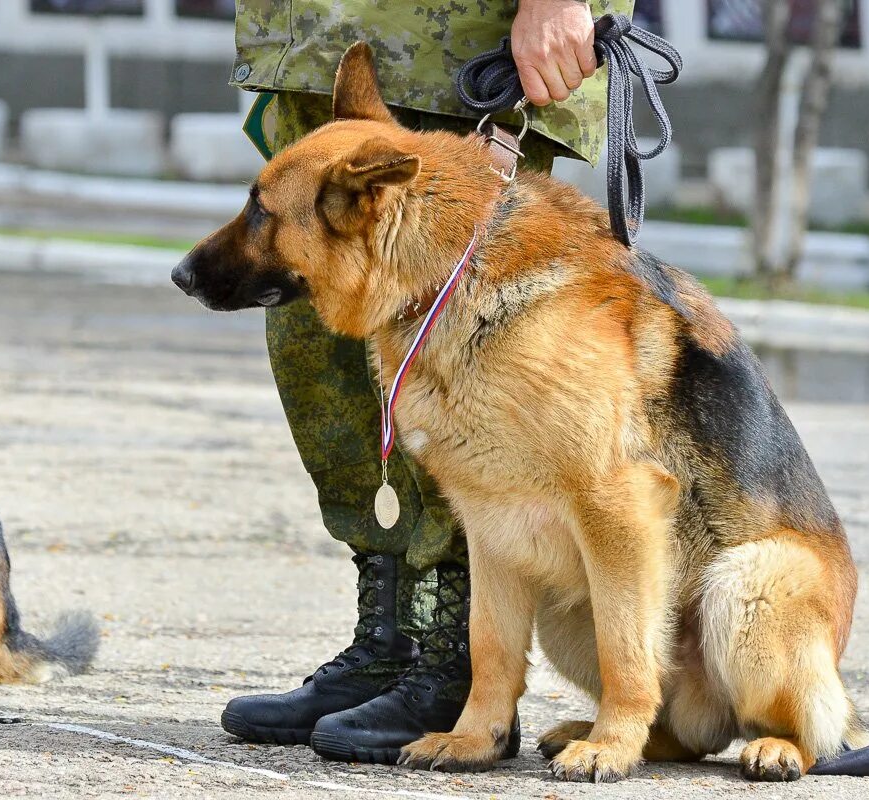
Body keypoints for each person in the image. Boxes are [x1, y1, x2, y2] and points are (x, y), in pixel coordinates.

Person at [220, 0, 635, 764]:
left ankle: (451, 657)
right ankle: (386, 638)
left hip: (458, 44)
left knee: (481, 396)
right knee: (324, 361)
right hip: (313, 41)